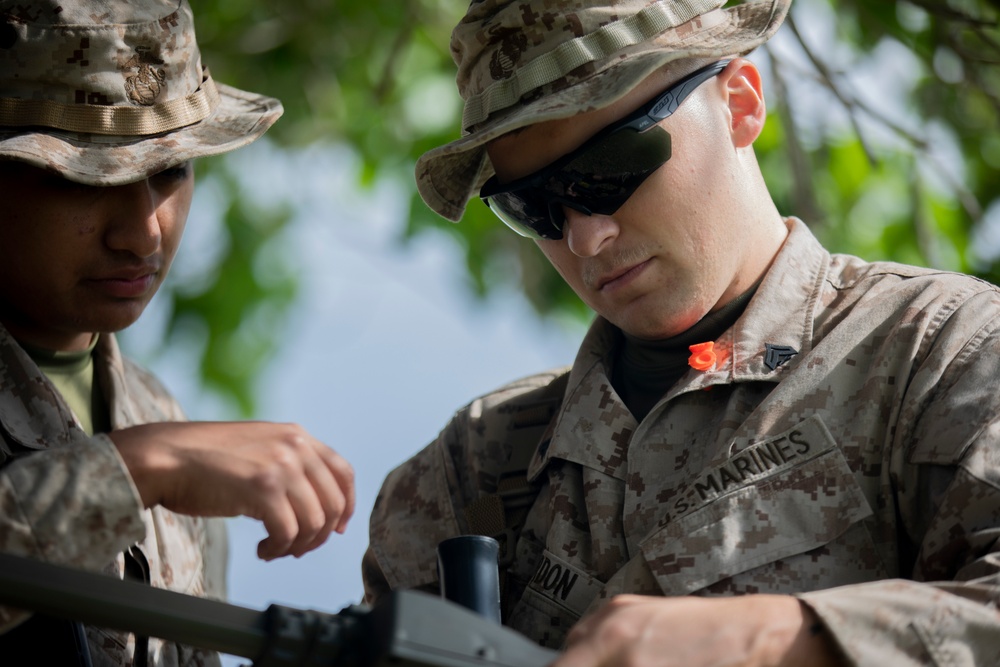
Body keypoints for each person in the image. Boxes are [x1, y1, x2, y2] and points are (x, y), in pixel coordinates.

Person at [363, 0, 1000, 664]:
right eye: (535, 205)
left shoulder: (942, 353)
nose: (585, 236)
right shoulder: (480, 463)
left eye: (612, 168)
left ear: (742, 103)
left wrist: (773, 639)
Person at [0, 1, 355, 665]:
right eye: (87, 179)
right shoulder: (166, 445)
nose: (142, 234)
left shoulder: (157, 411)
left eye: (170, 171)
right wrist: (141, 467)